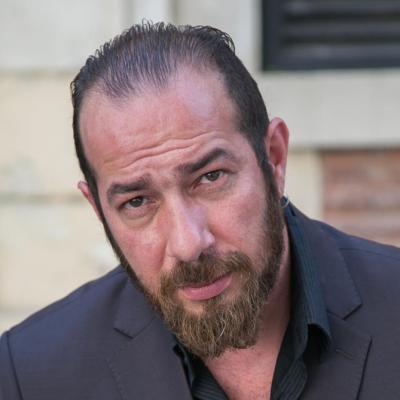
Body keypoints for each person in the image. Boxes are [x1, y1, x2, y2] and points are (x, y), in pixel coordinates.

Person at [1, 22, 400, 400]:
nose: (189, 244)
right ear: (99, 209)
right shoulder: (29, 376)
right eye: (137, 201)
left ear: (274, 158)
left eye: (210, 177)